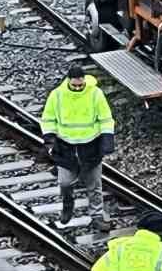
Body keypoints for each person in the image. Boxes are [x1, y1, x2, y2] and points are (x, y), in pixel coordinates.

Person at [39, 62, 115, 230]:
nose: (78, 88)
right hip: (65, 147)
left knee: (94, 185)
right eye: (75, 85)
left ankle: (97, 216)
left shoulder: (95, 94)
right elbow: (48, 119)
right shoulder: (57, 95)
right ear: (68, 81)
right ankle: (68, 204)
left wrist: (107, 138)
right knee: (65, 182)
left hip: (91, 146)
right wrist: (50, 139)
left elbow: (105, 118)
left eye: (81, 85)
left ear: (84, 80)